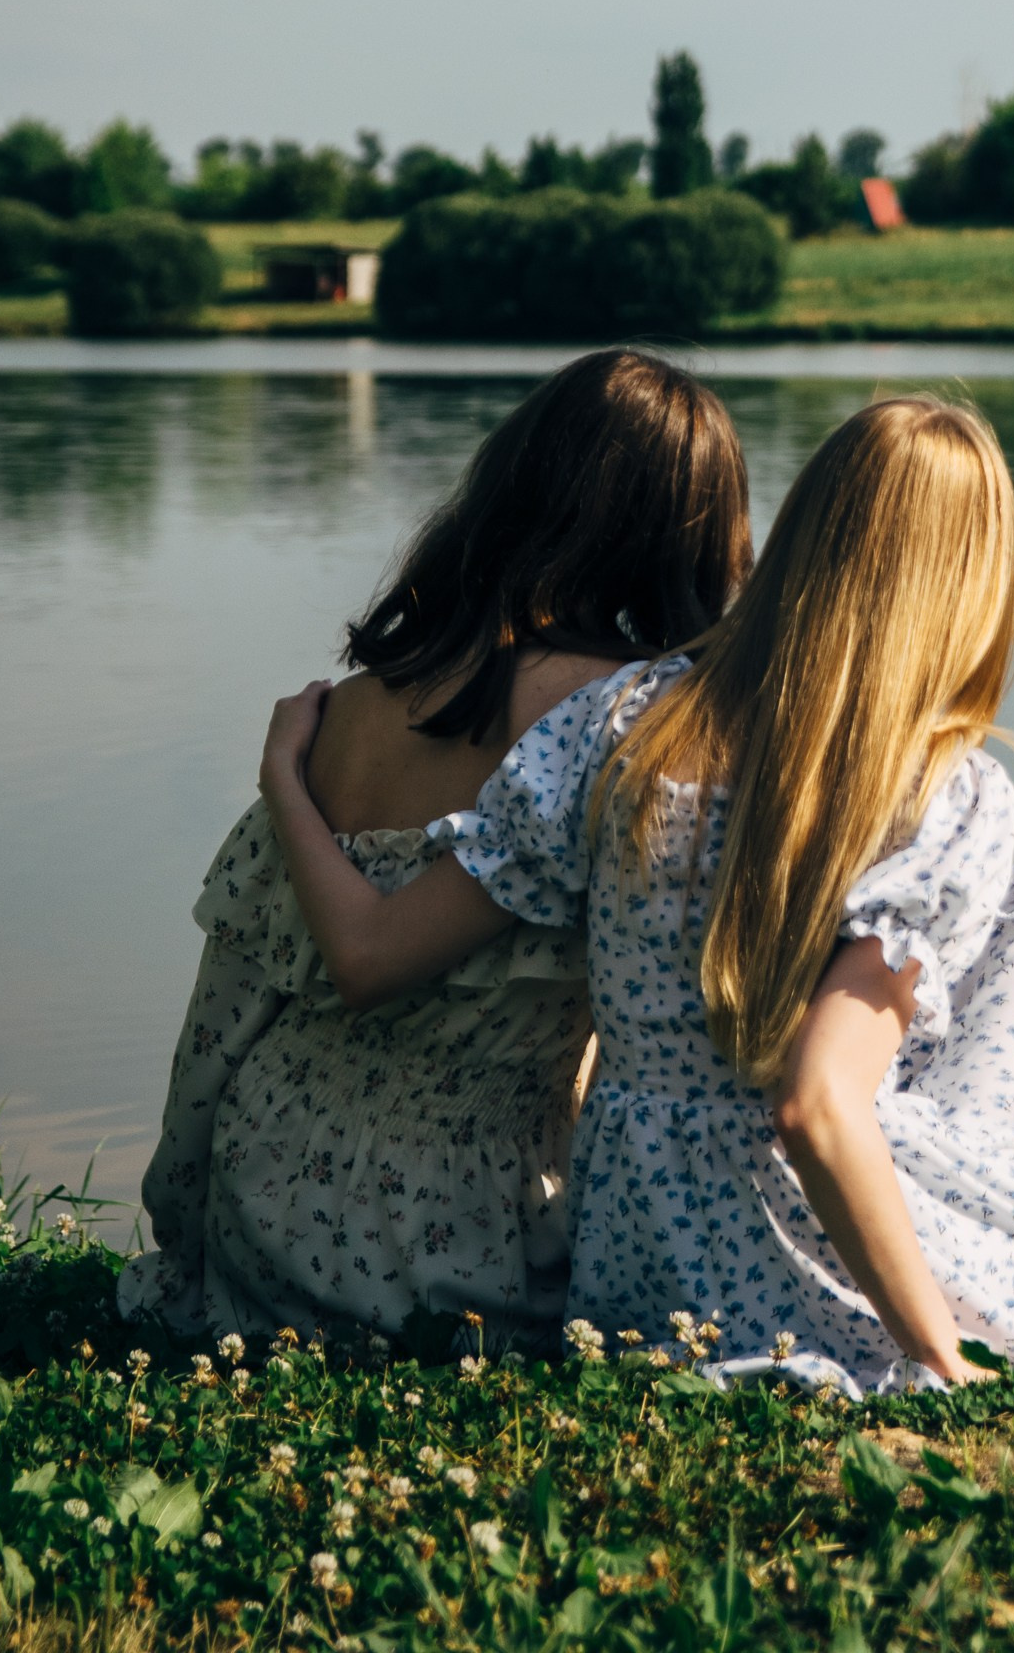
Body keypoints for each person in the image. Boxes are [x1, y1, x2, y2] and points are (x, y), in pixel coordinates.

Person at [259, 394, 1014, 1390]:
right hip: (837, 1277)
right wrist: (940, 1356)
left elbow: (365, 955)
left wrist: (287, 777)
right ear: (969, 585)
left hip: (642, 1282)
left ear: (802, 535)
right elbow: (815, 1104)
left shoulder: (616, 723)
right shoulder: (941, 786)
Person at [120, 348, 751, 1345]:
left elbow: (219, 1023)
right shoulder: (634, 722)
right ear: (694, 533)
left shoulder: (342, 711)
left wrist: (186, 1228)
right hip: (471, 1247)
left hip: (265, 1224)